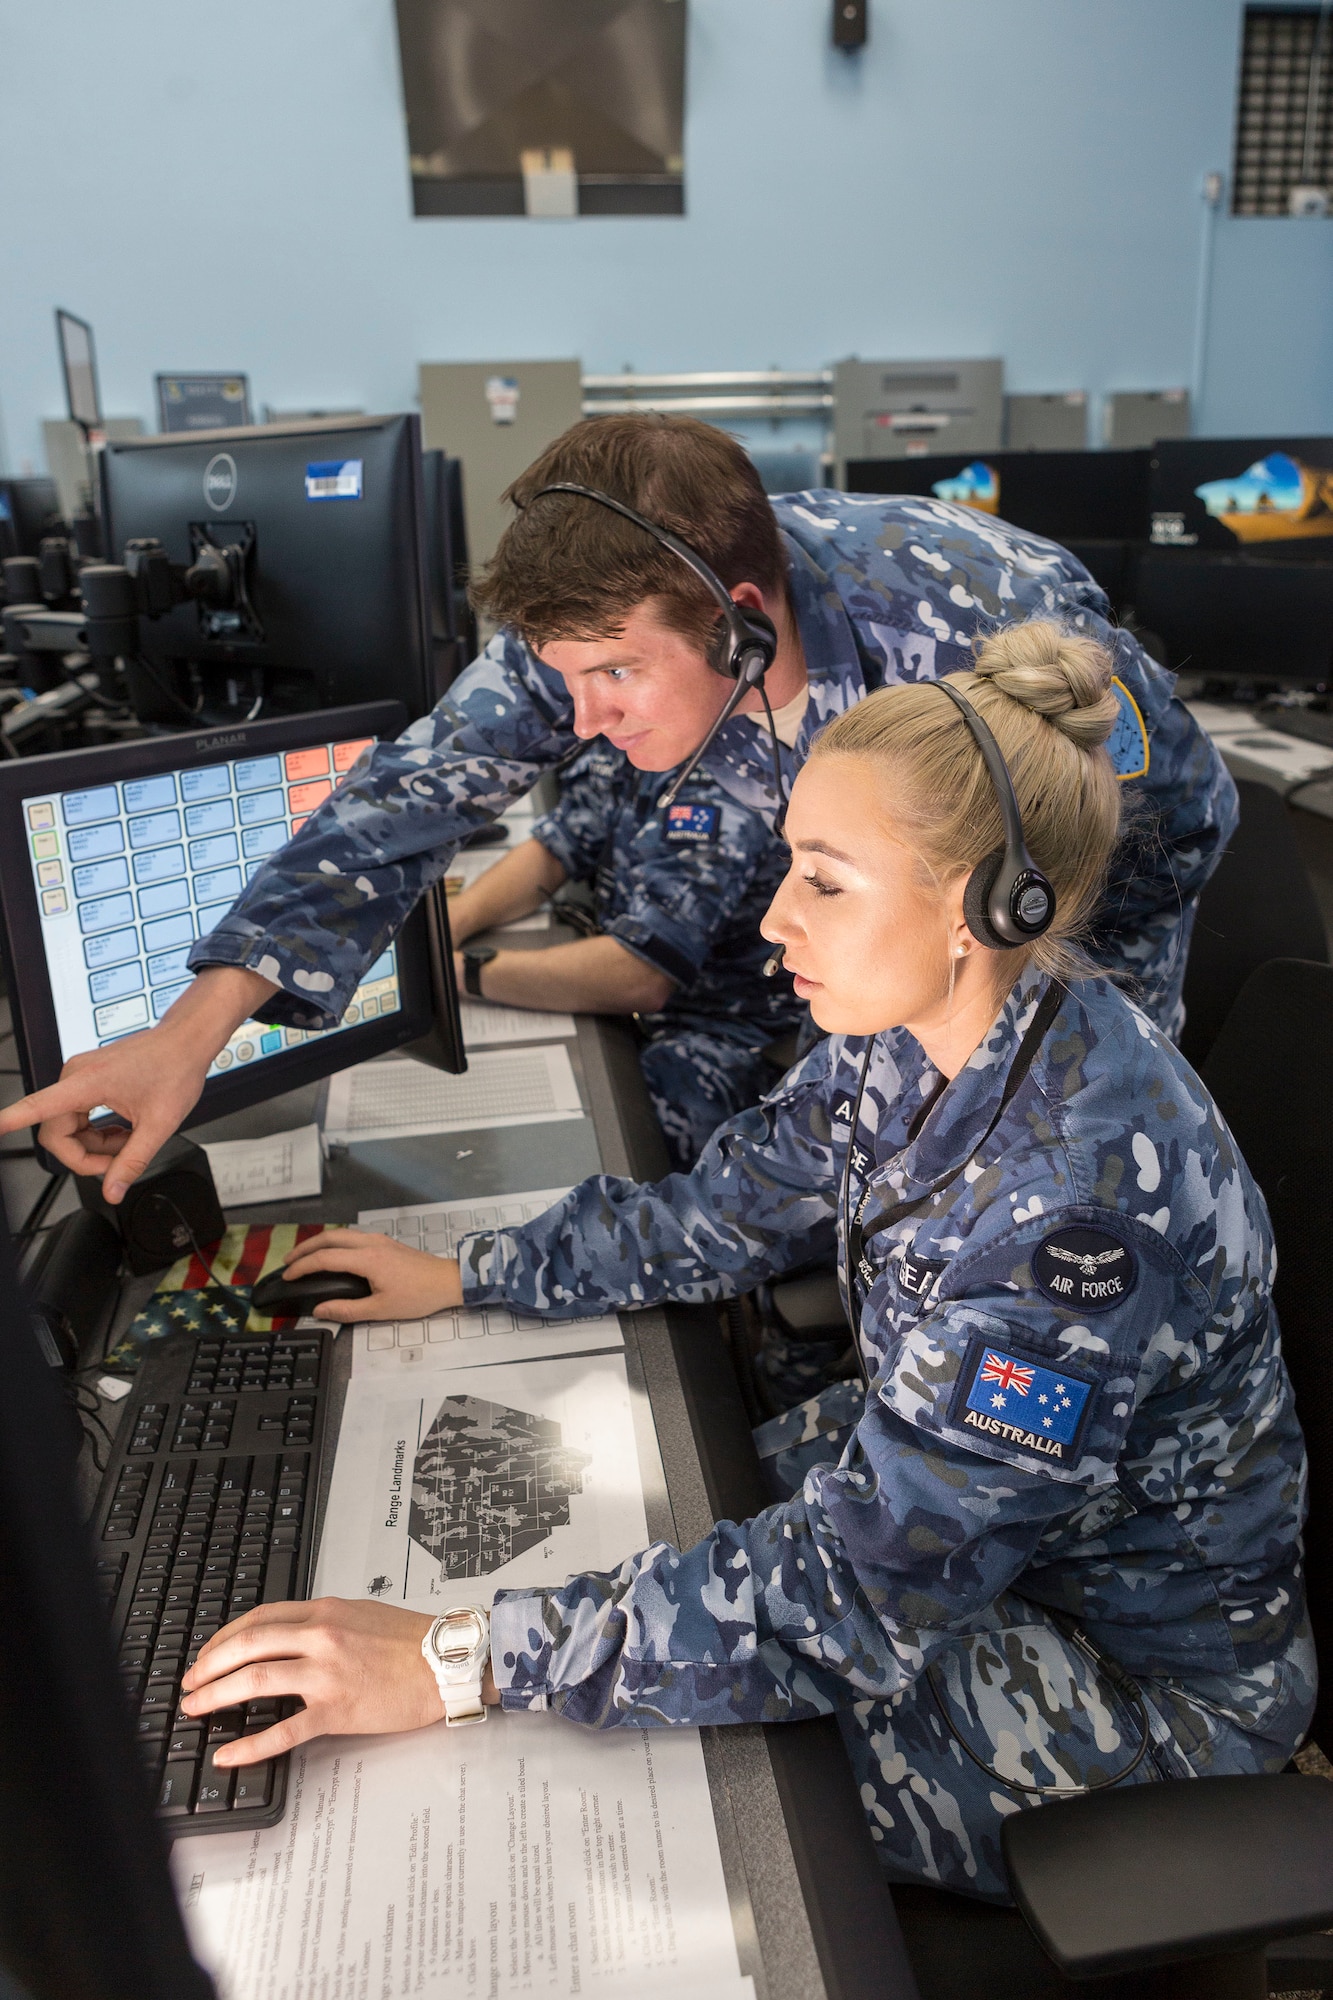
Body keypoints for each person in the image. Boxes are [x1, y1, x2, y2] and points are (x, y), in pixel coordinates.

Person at [173, 622, 1311, 1904]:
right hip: (978, 1541)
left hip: (1134, 1685)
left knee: (617, 1776)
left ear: (986, 904)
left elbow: (855, 1601)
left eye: (824, 880)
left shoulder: (1069, 1217)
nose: (775, 919)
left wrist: (457, 1660)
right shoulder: (925, 1025)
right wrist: (472, 1271)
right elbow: (726, 1204)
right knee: (628, 1540)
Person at [0, 414, 1236, 1202]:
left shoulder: (968, 621)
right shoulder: (614, 611)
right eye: (565, 677)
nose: (582, 719)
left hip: (1097, 874)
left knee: (1032, 1162)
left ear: (739, 621)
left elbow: (1120, 835)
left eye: (613, 678)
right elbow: (398, 806)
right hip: (862, 877)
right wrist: (193, 1034)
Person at [449, 734, 804, 1165]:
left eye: (617, 672)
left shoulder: (729, 784)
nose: (587, 713)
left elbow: (640, 975)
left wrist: (458, 975)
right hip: (638, 1016)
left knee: (571, 1148)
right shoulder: (636, 738)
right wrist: (454, 923)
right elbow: (557, 848)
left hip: (720, 1038)